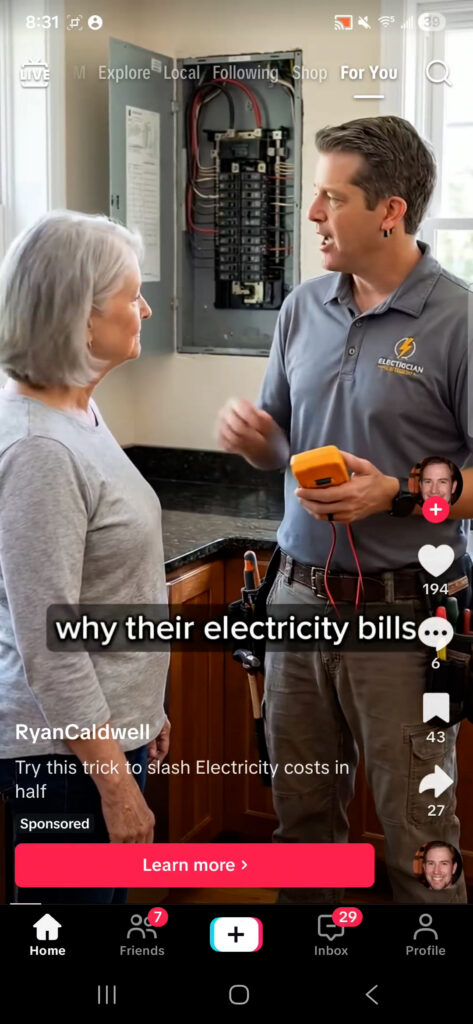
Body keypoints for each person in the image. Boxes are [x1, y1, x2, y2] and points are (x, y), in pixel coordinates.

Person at [218, 115, 473, 905]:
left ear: (388, 210)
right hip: (297, 601)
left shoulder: (458, 319)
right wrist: (259, 443)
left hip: (403, 615)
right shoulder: (302, 307)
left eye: (330, 197)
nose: (312, 215)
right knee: (301, 833)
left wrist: (395, 492)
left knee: (419, 845)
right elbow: (285, 451)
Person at [0, 210, 170, 904]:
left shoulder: (79, 416)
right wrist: (114, 783)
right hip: (63, 758)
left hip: (103, 740)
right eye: (132, 296)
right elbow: (53, 645)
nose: (145, 308)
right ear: (82, 316)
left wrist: (145, 716)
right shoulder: (40, 449)